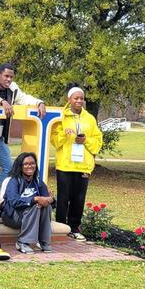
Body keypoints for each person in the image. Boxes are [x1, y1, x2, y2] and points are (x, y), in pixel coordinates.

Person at [0, 63, 46, 190]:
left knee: (10, 169)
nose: (9, 79)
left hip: (0, 138)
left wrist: (39, 102)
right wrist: (2, 101)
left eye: (11, 77)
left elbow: (24, 98)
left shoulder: (13, 88)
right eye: (6, 76)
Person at [53, 86, 104, 241]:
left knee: (79, 198)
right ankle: (61, 227)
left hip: (83, 165)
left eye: (81, 98)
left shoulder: (90, 118)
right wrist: (64, 134)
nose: (79, 101)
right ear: (69, 100)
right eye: (76, 98)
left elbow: (98, 140)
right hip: (65, 164)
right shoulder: (61, 117)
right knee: (63, 198)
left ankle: (74, 228)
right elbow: (54, 139)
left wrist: (85, 140)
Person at [0, 152, 55, 253]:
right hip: (13, 216)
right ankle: (22, 242)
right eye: (26, 164)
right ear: (20, 166)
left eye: (32, 163)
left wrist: (50, 200)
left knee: (45, 207)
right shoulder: (14, 181)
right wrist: (34, 199)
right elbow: (14, 202)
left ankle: (43, 241)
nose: (30, 166)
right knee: (35, 205)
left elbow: (48, 201)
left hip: (32, 216)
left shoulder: (38, 182)